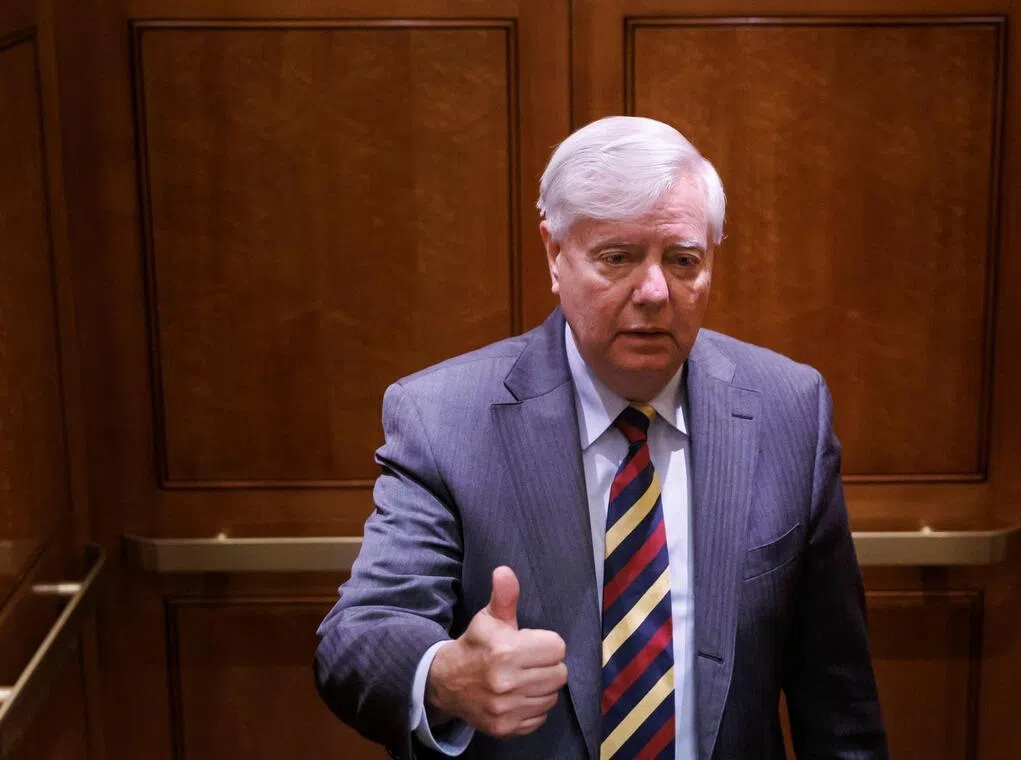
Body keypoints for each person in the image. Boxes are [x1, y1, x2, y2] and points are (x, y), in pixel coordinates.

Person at [314, 116, 888, 760]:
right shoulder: (443, 417)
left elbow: (838, 698)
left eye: (682, 260)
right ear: (555, 255)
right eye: (618, 258)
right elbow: (359, 635)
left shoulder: (789, 407)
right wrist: (445, 676)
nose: (653, 292)